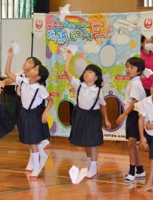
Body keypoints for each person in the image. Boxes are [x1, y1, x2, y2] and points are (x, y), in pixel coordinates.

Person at [0, 53, 51, 172]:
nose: (30, 68)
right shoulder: (22, 80)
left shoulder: (39, 87)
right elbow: (7, 74)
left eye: (33, 67)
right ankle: (39, 158)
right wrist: (9, 56)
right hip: (23, 109)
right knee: (30, 139)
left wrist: (45, 113)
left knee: (34, 139)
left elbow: (49, 100)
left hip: (34, 112)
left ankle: (36, 164)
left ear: (37, 76)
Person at [64, 50, 111, 179]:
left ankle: (94, 167)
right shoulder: (79, 85)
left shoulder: (98, 90)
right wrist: (69, 58)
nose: (86, 73)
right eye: (85, 71)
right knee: (85, 142)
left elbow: (103, 105)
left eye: (90, 72)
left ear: (96, 77)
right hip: (80, 115)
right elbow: (67, 72)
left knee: (93, 142)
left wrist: (106, 119)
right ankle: (90, 164)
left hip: (93, 117)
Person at [116, 57, 146, 182]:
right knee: (133, 144)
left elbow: (134, 102)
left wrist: (124, 115)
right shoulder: (134, 82)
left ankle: (132, 172)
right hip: (133, 114)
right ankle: (140, 170)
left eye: (132, 67)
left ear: (138, 71)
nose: (128, 69)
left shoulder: (135, 84)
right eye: (127, 66)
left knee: (131, 143)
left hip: (134, 114)